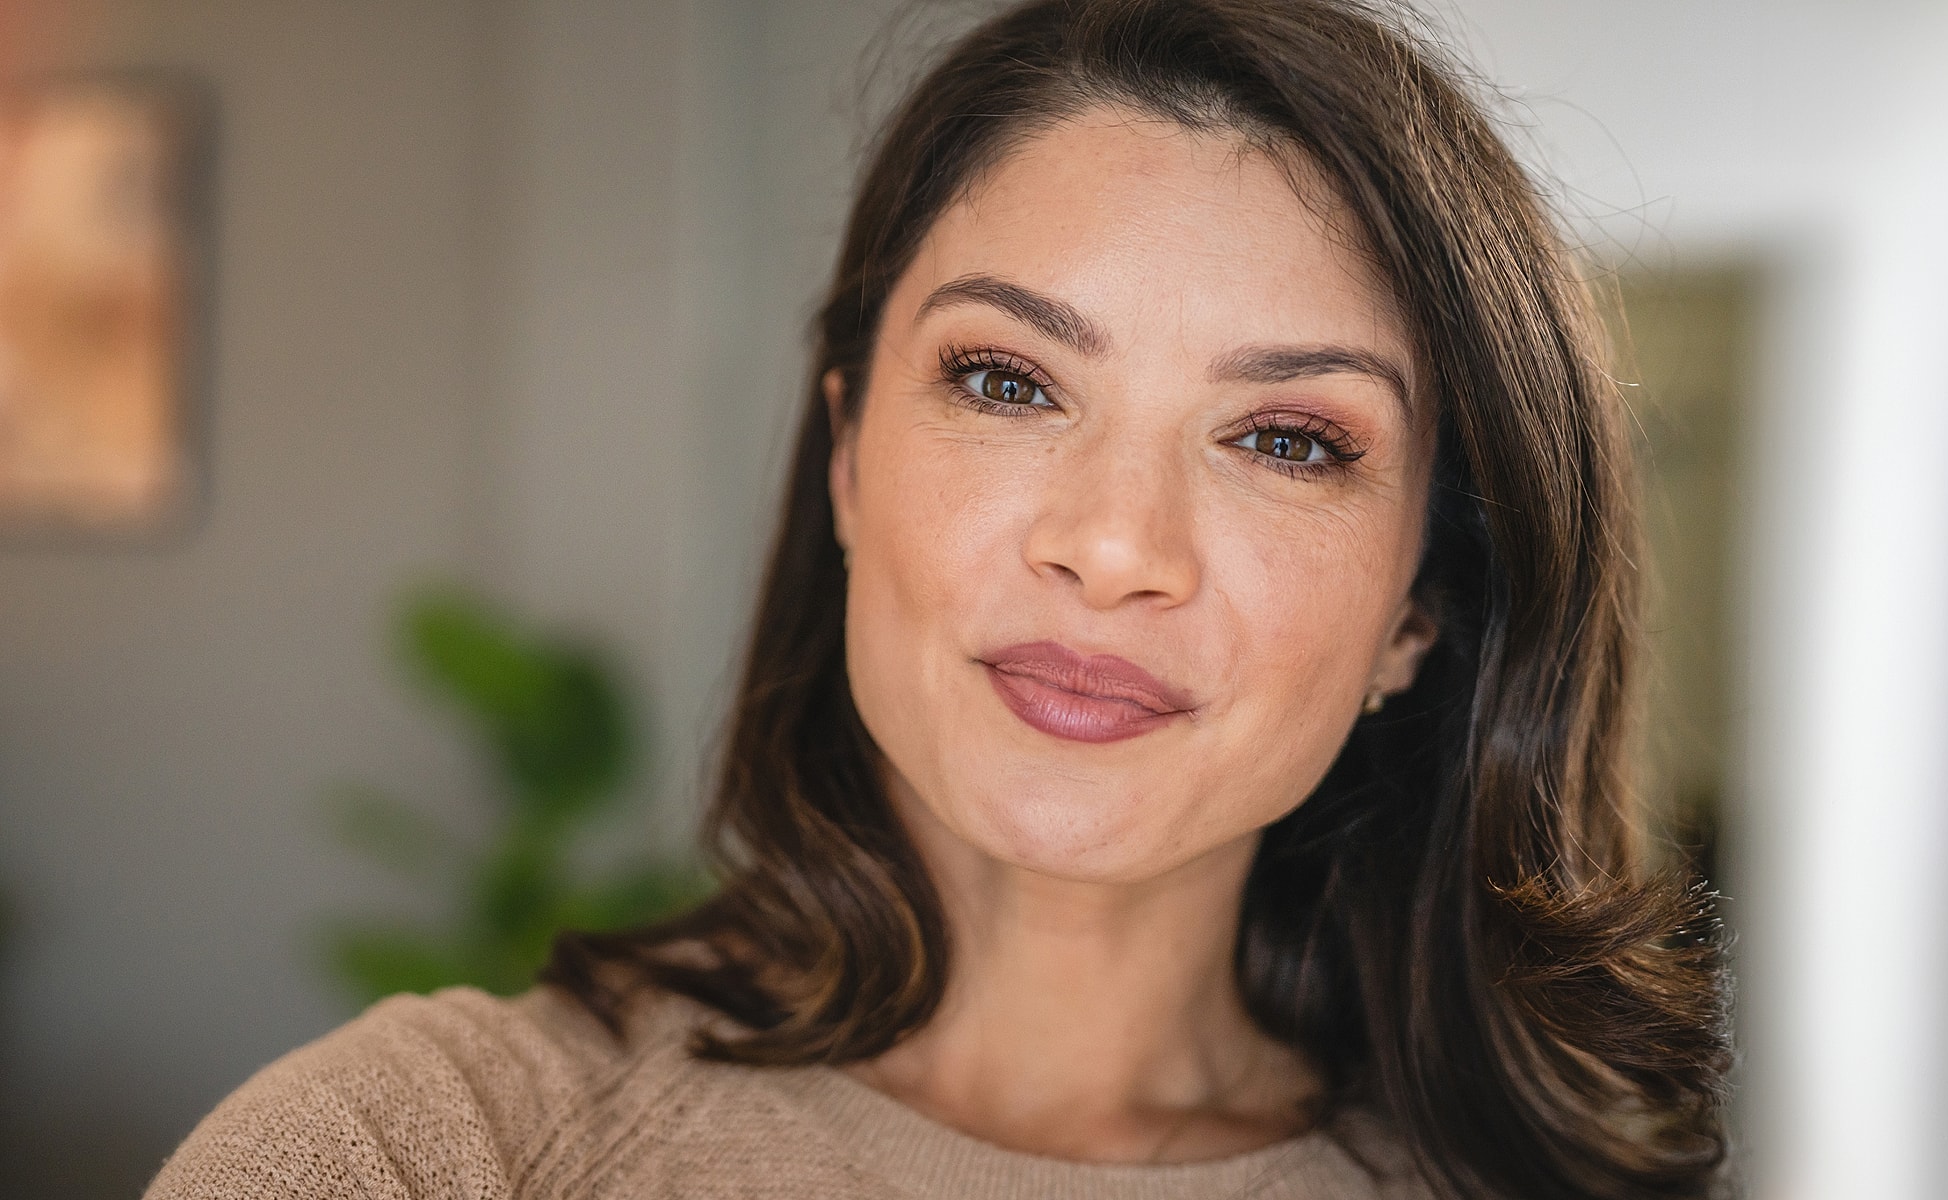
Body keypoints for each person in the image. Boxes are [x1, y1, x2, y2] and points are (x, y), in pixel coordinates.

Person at [148, 1, 1730, 1196]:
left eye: (1286, 438)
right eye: (1005, 379)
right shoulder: (422, 1153)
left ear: (1419, 611)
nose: (1114, 547)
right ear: (845, 459)